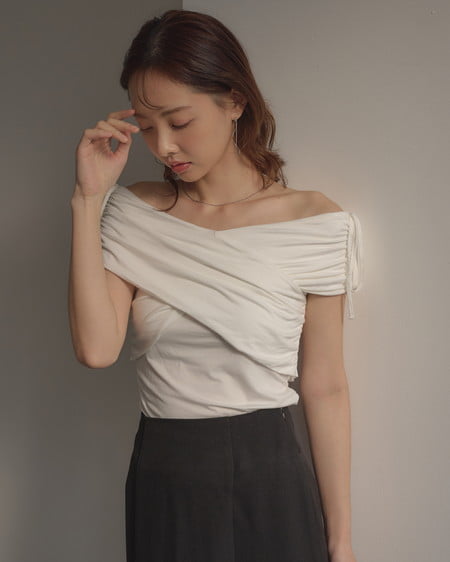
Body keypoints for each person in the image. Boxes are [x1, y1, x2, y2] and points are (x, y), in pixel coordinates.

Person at [69, 9, 363, 562]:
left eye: (179, 122)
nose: (163, 146)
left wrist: (341, 541)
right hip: (165, 475)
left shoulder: (314, 223)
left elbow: (325, 386)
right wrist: (88, 199)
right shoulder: (135, 214)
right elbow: (96, 349)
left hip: (272, 475)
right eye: (147, 126)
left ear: (234, 101)